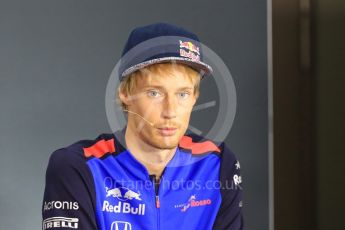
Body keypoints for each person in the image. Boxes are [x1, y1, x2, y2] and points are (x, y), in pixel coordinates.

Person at [42, 22, 243, 230]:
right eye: (154, 93)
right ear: (125, 93)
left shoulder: (217, 164)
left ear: (194, 98)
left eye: (182, 94)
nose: (170, 111)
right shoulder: (78, 167)